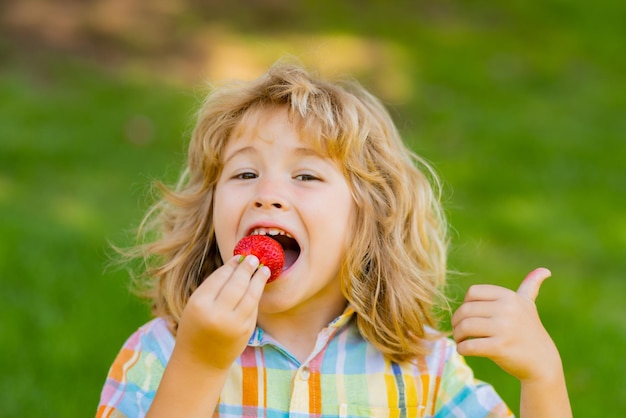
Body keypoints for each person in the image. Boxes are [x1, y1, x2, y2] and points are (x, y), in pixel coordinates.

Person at [96, 61, 571, 417]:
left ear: (368, 219)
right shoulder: (160, 352)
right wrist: (199, 363)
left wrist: (543, 376)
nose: (268, 194)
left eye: (305, 175)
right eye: (244, 172)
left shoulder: (422, 367)